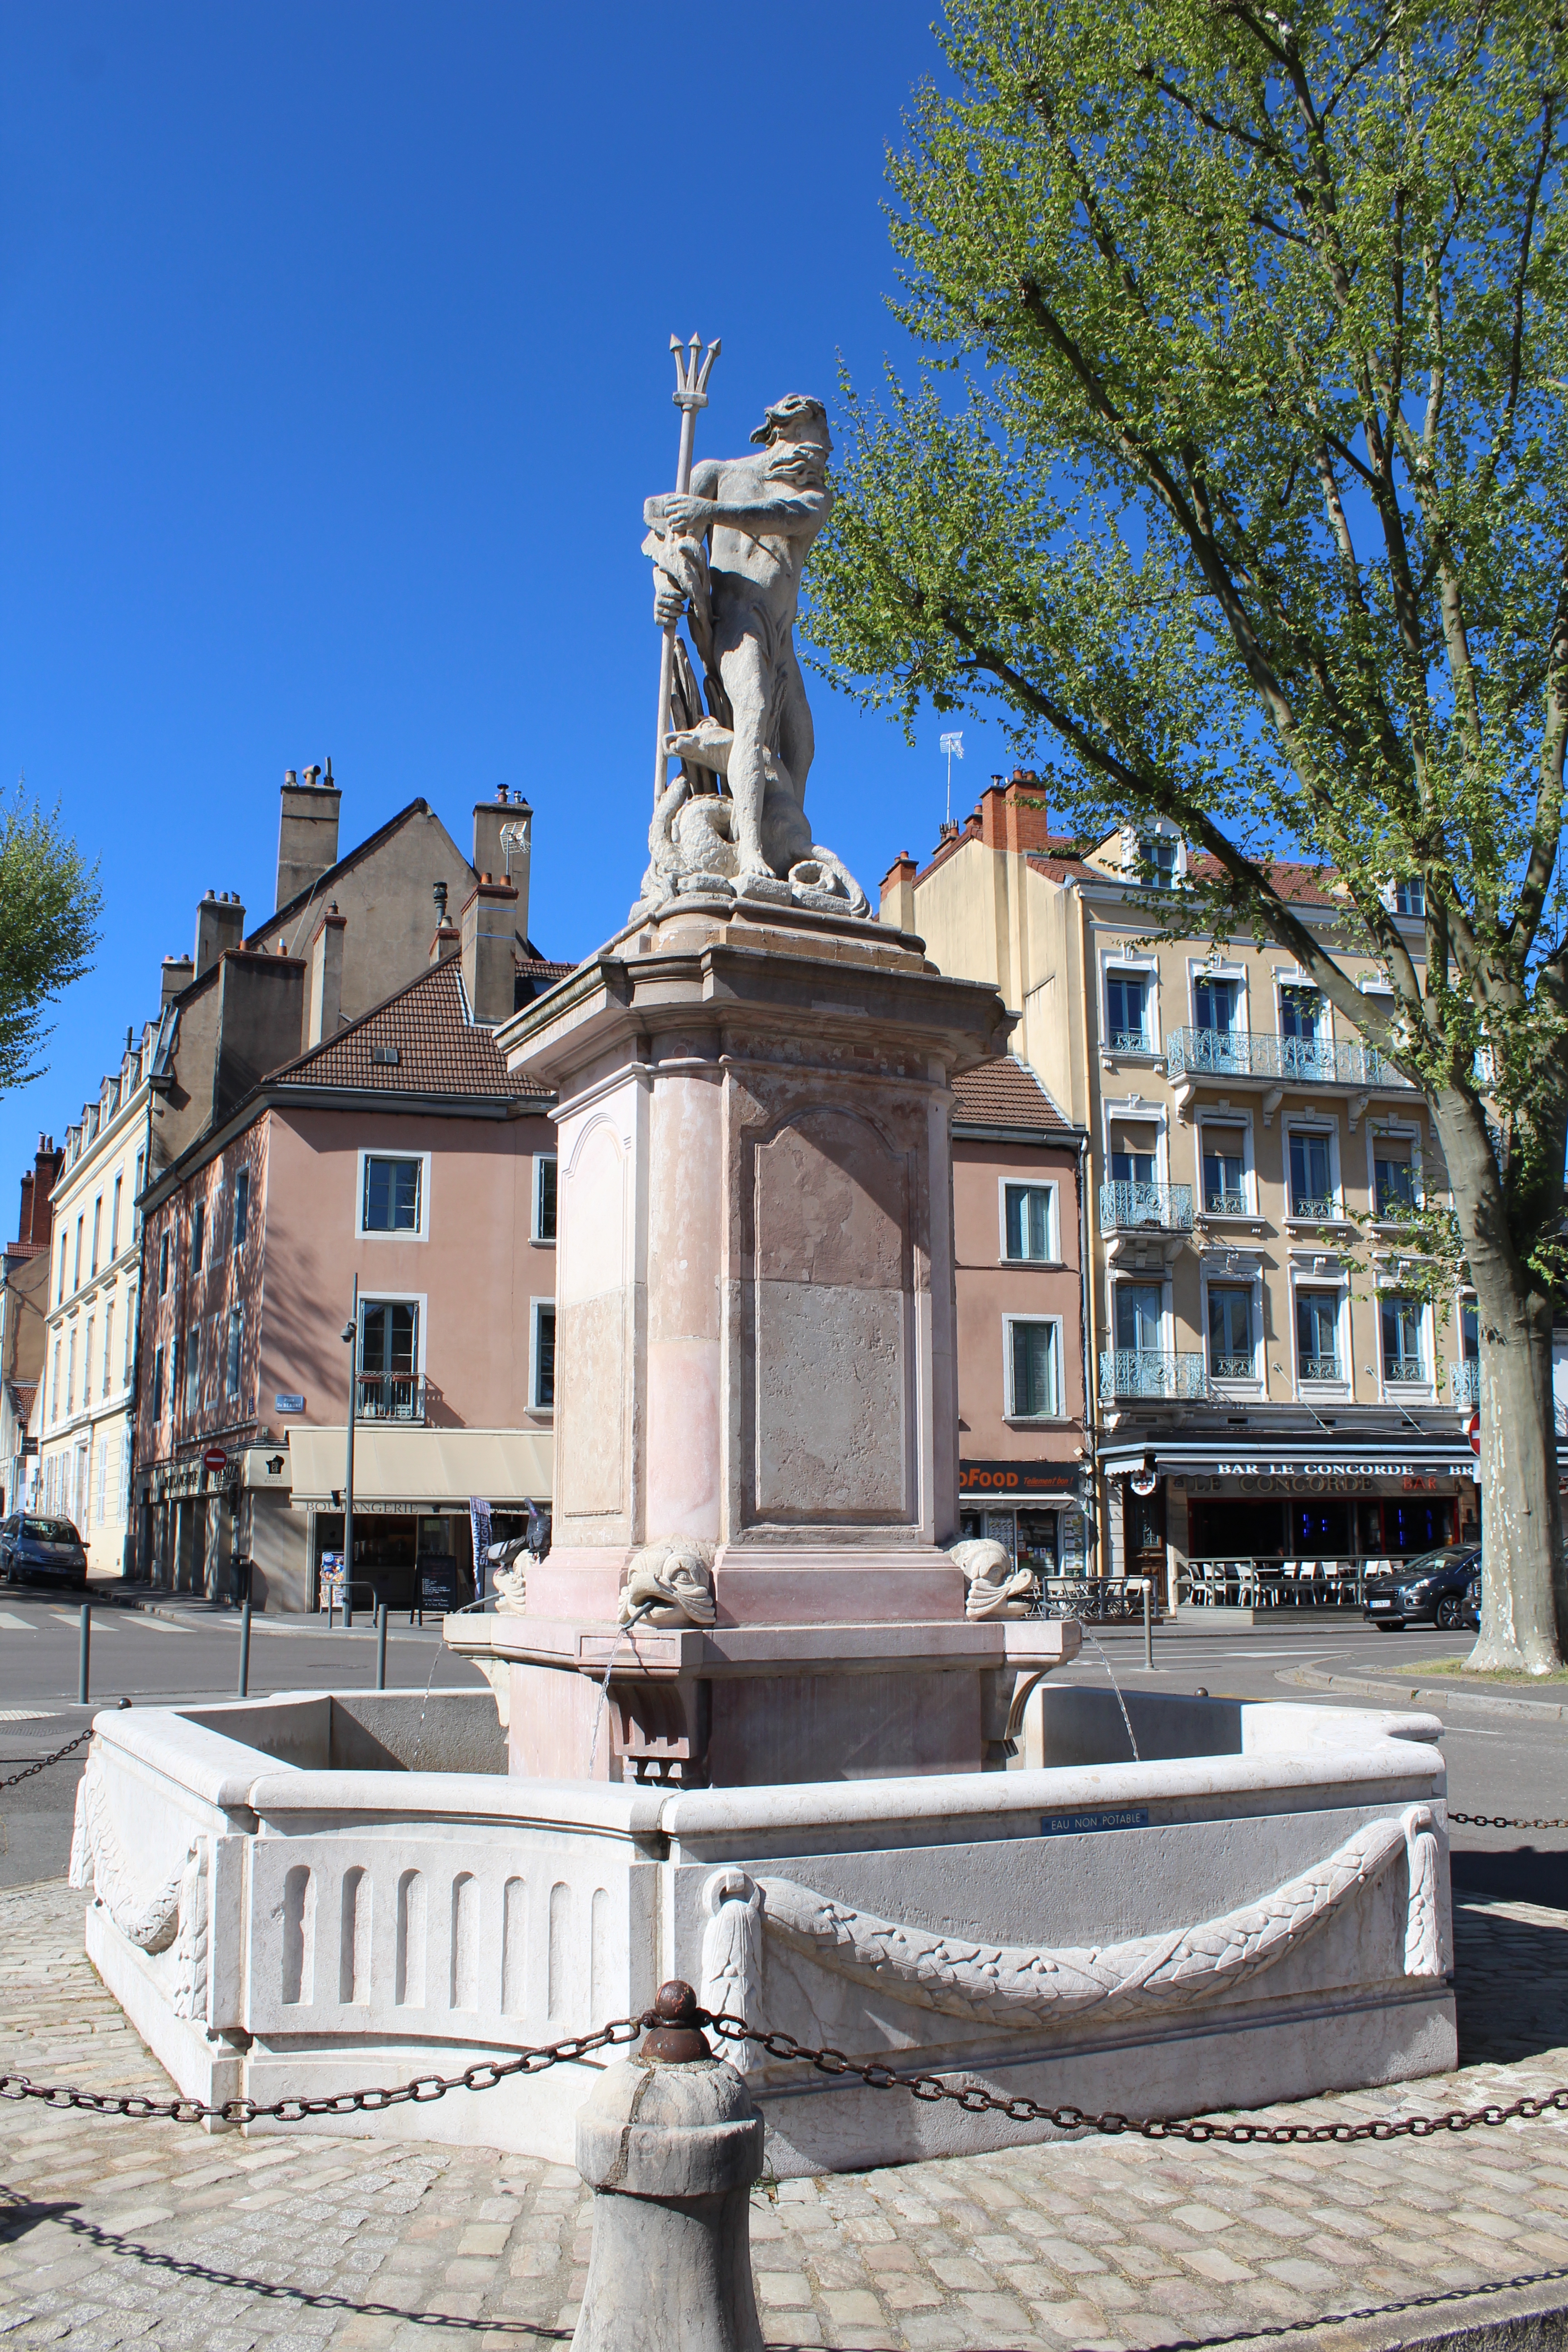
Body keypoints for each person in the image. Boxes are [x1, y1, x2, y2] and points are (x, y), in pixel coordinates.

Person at [646, 394, 832, 889]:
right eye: (811, 453)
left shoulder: (812, 496)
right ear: (779, 438)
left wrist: (709, 509)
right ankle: (750, 848)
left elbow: (784, 515)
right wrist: (665, 588)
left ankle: (783, 838)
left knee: (802, 742)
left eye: (824, 458)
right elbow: (670, 542)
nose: (819, 465)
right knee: (752, 711)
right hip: (736, 620)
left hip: (781, 631)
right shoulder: (716, 473)